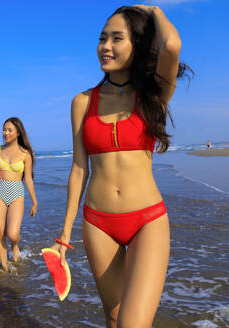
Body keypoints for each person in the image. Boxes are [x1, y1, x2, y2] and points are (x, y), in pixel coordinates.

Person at [49, 5, 192, 327]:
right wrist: (64, 234)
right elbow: (78, 168)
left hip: (147, 220)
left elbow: (171, 46)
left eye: (117, 38)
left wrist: (153, 10)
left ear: (137, 45)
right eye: (102, 38)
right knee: (113, 317)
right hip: (97, 223)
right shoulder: (83, 101)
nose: (105, 47)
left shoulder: (153, 95)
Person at [0, 117, 38, 272]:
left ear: (18, 132)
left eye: (9, 130)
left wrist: (34, 202)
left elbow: (29, 179)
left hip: (17, 191)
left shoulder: (26, 154)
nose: (6, 133)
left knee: (12, 234)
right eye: (4, 130)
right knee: (0, 231)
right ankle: (4, 268)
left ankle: (15, 245)